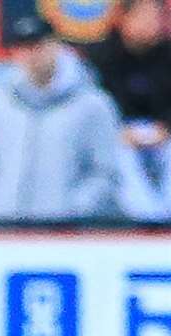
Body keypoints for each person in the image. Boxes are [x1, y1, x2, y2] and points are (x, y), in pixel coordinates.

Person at [0, 15, 121, 223]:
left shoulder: (92, 105)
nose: (31, 55)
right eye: (23, 48)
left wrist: (73, 211)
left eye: (38, 46)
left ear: (56, 46)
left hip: (71, 235)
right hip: (5, 234)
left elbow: (106, 172)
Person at [87, 0, 171, 221]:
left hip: (163, 134)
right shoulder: (101, 55)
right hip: (118, 135)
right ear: (125, 18)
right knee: (121, 156)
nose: (155, 23)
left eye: (158, 17)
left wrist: (166, 128)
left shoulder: (167, 54)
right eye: (147, 16)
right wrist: (118, 130)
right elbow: (93, 105)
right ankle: (146, 220)